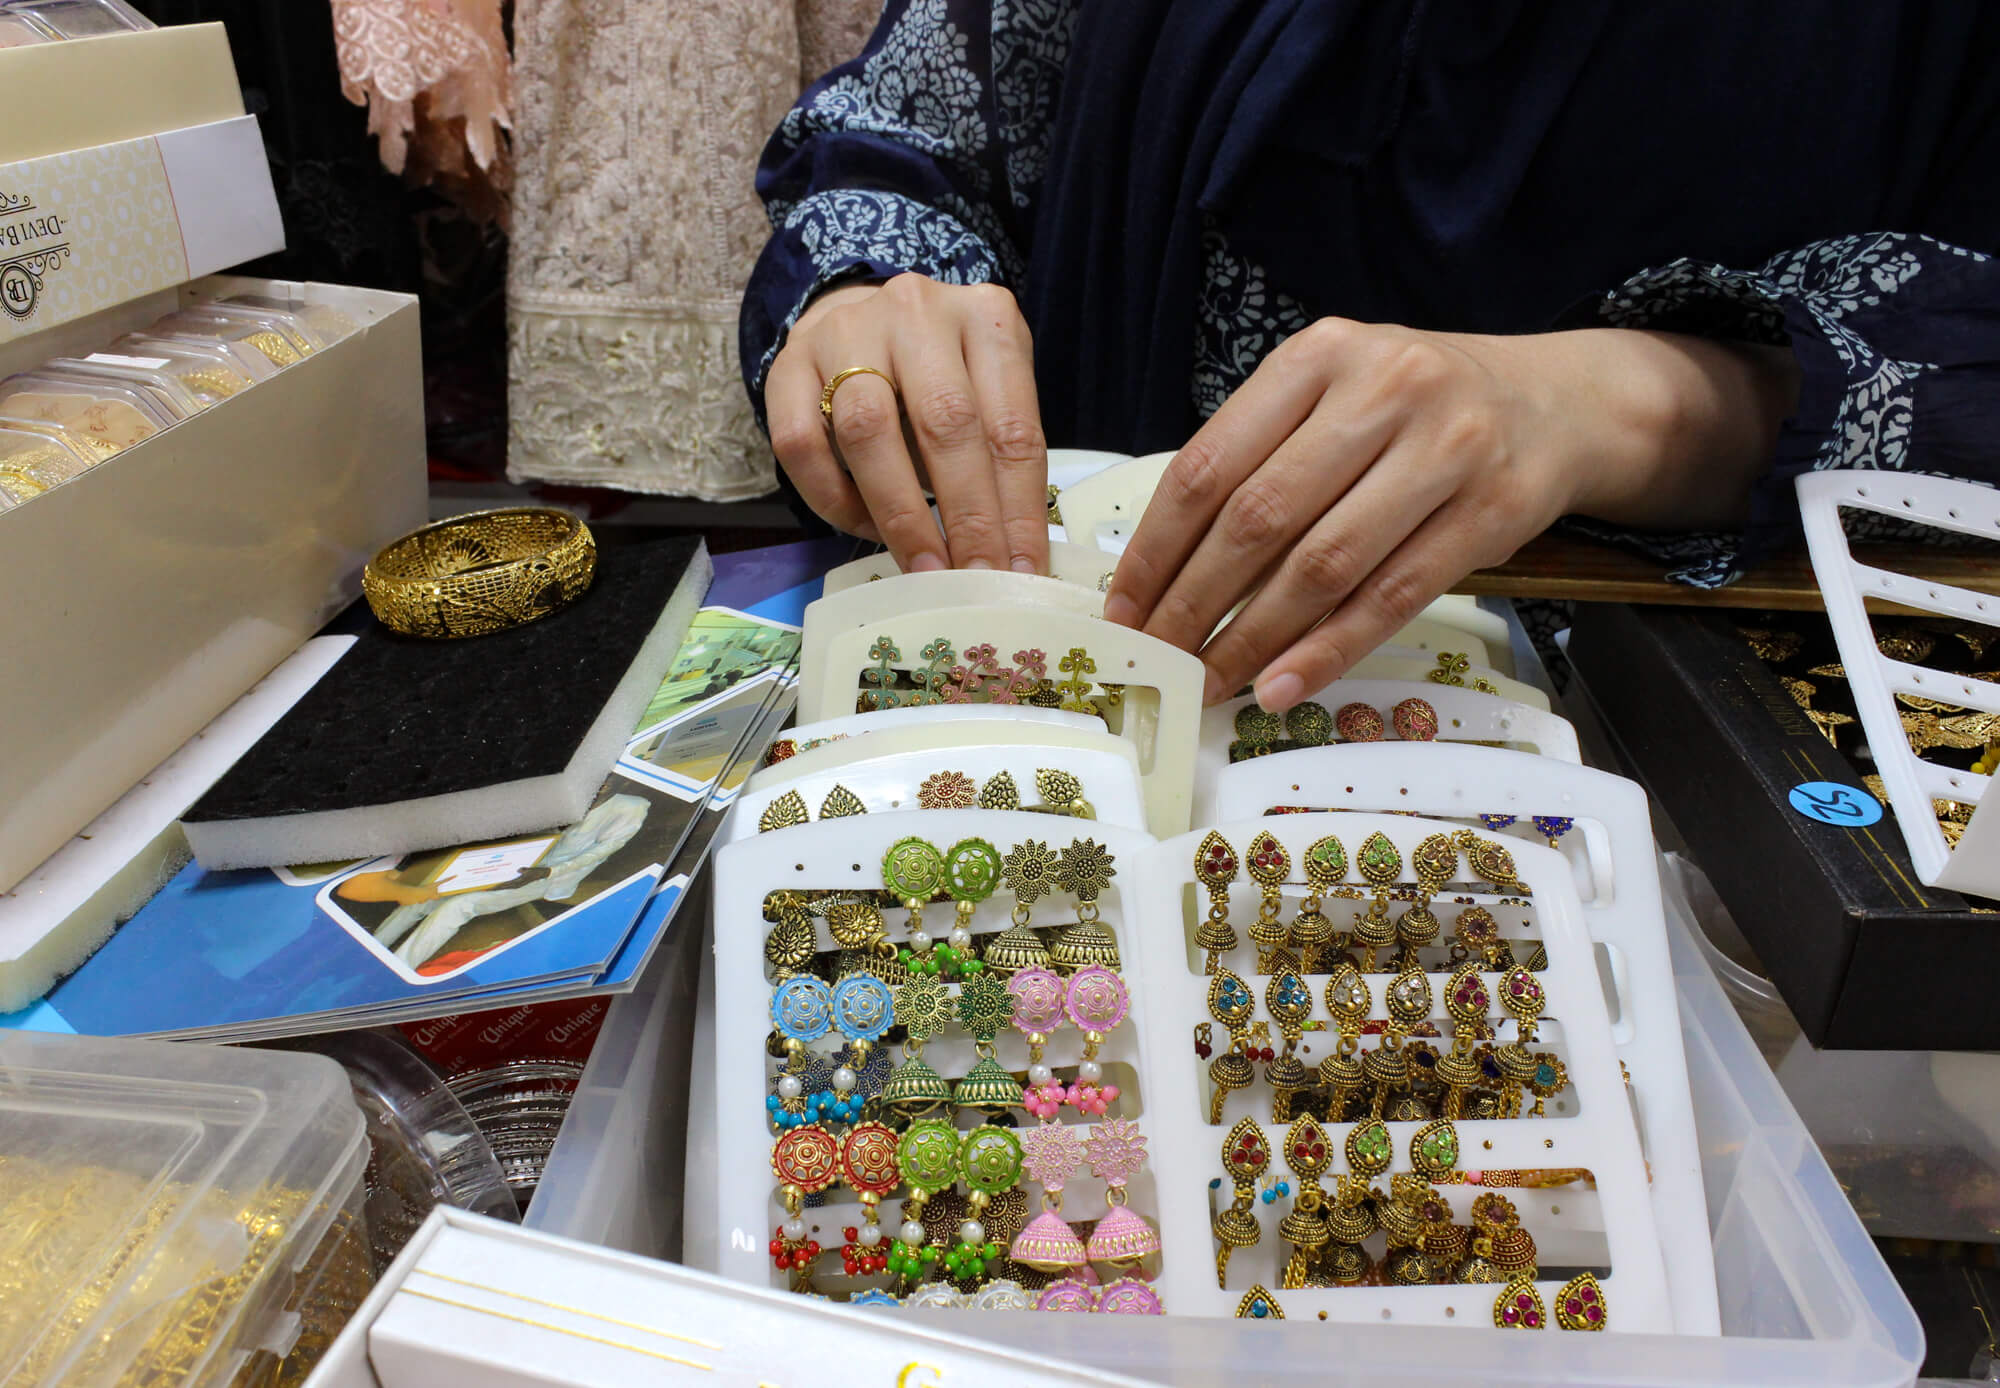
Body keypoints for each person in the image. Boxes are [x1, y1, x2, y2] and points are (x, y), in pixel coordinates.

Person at [740, 2, 2000, 711]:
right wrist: (865, 289)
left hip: (1675, 813)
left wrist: (1641, 404)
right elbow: (904, 119)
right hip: (1068, 697)